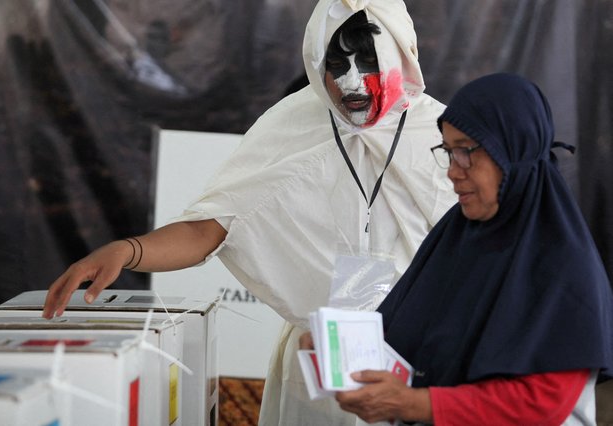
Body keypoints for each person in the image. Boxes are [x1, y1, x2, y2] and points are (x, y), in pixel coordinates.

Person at [43, 1, 456, 424]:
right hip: (317, 367)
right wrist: (127, 251)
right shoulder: (292, 126)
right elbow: (211, 227)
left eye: (368, 60)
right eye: (336, 63)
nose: (351, 80)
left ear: (402, 53)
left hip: (419, 365)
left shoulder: (443, 134)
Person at [324, 73, 613, 425]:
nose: (452, 172)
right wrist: (340, 349)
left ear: (510, 150)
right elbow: (403, 342)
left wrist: (416, 405)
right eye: (448, 152)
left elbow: (544, 402)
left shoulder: (563, 265)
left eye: (465, 151)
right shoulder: (457, 237)